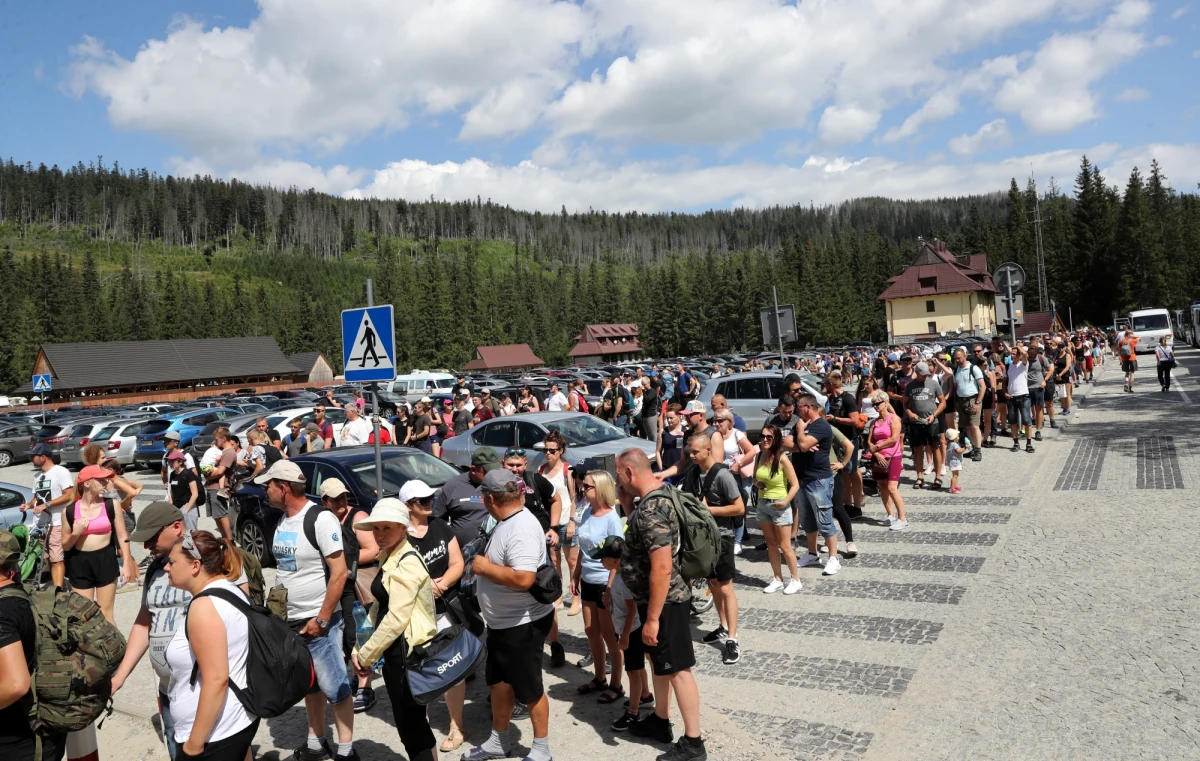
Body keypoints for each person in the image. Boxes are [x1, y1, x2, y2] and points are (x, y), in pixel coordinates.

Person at [258, 461, 357, 761]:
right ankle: (317, 742)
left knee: (336, 686)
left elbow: (339, 573)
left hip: (319, 621)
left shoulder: (320, 519)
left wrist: (322, 619)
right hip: (292, 621)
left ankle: (347, 751)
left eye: (269, 485)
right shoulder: (283, 520)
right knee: (310, 685)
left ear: (284, 488)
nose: (266, 490)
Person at [615, 448, 707, 761]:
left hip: (666, 603)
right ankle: (660, 720)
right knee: (661, 664)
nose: (619, 483)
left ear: (629, 473)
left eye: (619, 476)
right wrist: (629, 508)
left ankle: (693, 744)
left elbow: (662, 566)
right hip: (656, 602)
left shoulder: (652, 509)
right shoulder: (656, 499)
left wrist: (652, 619)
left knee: (679, 669)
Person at [462, 470, 555, 761]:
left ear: (489, 499)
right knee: (498, 684)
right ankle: (498, 741)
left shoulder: (521, 527)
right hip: (504, 624)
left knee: (530, 689)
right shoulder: (507, 521)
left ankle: (542, 749)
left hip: (523, 623)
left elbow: (525, 578)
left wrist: (484, 568)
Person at [349, 499, 440, 761]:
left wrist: (366, 655)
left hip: (407, 654)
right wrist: (361, 646)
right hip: (396, 652)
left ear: (403, 528)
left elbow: (396, 617)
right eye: (376, 528)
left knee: (412, 726)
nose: (379, 534)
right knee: (411, 724)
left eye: (387, 528)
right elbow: (380, 606)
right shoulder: (389, 554)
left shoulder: (406, 561)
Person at [163, 531, 259, 761]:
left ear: (195, 566)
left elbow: (217, 680)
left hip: (214, 736)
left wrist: (194, 745)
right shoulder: (232, 590)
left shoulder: (204, 607)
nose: (167, 568)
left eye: (172, 562)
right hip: (237, 722)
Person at [401, 479, 468, 753]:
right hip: (414, 616)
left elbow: (458, 562)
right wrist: (424, 586)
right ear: (408, 506)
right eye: (422, 501)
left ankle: (456, 726)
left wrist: (439, 585)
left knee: (454, 667)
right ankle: (423, 724)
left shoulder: (440, 525)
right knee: (419, 670)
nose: (429, 503)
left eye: (430, 498)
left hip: (444, 610)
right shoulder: (399, 535)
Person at [0, 530, 67, 761]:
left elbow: (17, 684)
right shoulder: (29, 596)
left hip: (18, 745)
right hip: (45, 734)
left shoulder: (2, 613)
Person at [681, 433, 744, 665]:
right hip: (703, 539)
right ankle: (722, 625)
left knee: (726, 588)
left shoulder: (723, 475)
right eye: (690, 451)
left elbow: (739, 508)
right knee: (714, 585)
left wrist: (709, 511)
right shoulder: (692, 472)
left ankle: (732, 639)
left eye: (696, 452)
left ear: (708, 450)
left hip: (723, 539)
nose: (691, 455)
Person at [318, 478, 380, 714]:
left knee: (360, 634)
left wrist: (341, 564)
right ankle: (357, 677)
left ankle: (366, 687)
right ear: (325, 501)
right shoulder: (325, 520)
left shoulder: (358, 518)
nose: (342, 502)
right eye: (335, 499)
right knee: (346, 637)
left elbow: (373, 550)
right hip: (339, 587)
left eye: (343, 496)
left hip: (358, 587)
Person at [589, 537, 653, 732]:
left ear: (616, 560)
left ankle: (633, 713)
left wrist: (624, 636)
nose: (600, 562)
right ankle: (645, 695)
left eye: (603, 558)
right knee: (637, 666)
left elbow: (631, 610)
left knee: (632, 671)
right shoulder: (618, 576)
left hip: (631, 631)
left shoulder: (624, 581)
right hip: (628, 629)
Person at [572, 471, 625, 701]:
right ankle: (599, 677)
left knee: (609, 636)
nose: (583, 489)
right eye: (583, 485)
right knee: (590, 630)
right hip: (588, 580)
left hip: (605, 582)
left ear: (601, 488)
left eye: (588, 486)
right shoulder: (586, 513)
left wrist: (611, 588)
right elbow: (583, 549)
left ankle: (616, 684)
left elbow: (618, 557)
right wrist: (575, 574)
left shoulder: (612, 518)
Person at [61, 464, 136, 624]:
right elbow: (66, 546)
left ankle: (116, 649)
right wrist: (76, 532)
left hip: (105, 559)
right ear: (87, 483)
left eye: (105, 479)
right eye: (100, 480)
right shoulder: (69, 511)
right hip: (79, 562)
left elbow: (123, 536)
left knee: (106, 614)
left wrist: (127, 564)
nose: (105, 483)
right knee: (85, 616)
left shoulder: (111, 505)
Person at [792, 394, 839, 575]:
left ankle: (834, 558)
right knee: (807, 520)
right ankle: (812, 553)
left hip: (819, 480)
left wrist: (801, 434)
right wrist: (800, 441)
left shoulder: (820, 426)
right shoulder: (803, 425)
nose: (797, 410)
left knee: (824, 519)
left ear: (808, 407)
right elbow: (787, 443)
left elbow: (803, 445)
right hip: (803, 479)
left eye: (799, 406)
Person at [753, 424, 802, 594]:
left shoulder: (782, 458)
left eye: (769, 437)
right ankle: (778, 579)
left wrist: (785, 501)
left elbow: (795, 484)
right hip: (763, 503)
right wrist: (759, 484)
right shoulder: (759, 456)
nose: (764, 439)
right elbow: (754, 478)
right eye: (762, 436)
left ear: (776, 439)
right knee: (771, 544)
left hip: (780, 504)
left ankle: (795, 579)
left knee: (785, 546)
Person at [19, 444, 74, 588]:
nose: (30, 458)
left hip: (56, 522)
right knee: (48, 557)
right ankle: (56, 585)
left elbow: (70, 495)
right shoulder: (37, 476)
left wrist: (47, 505)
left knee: (57, 559)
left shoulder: (60, 472)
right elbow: (37, 497)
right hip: (42, 524)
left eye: (33, 456)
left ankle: (58, 592)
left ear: (43, 457)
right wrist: (28, 506)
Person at [539, 430, 578, 626]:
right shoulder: (541, 470)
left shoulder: (568, 470)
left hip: (566, 522)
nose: (548, 453)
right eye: (545, 450)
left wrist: (572, 521)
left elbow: (573, 498)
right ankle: (558, 596)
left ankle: (576, 598)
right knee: (554, 561)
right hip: (551, 524)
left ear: (561, 451)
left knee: (572, 562)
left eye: (552, 450)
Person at [866, 392, 907, 530]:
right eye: (874, 404)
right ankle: (890, 514)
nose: (876, 406)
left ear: (885, 403)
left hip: (893, 456)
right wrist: (876, 453)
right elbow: (869, 440)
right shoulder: (874, 422)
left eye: (878, 403)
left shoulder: (894, 419)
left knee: (892, 487)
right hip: (879, 457)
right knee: (882, 486)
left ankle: (902, 518)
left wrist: (877, 447)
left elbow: (894, 438)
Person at [904, 362, 946, 490]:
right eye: (922, 375)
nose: (924, 377)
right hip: (916, 422)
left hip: (932, 421)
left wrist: (934, 415)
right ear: (917, 372)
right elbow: (905, 404)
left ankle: (938, 477)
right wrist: (910, 413)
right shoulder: (910, 386)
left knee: (935, 448)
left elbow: (943, 402)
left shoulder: (933, 384)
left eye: (926, 374)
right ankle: (919, 476)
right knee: (917, 449)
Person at [202, 428, 238, 547]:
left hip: (219, 488)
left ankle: (229, 541)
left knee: (221, 514)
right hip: (213, 486)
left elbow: (220, 471)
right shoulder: (223, 451)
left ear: (223, 438)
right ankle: (225, 539)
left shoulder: (229, 452)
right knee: (216, 515)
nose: (215, 441)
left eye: (216, 438)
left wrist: (207, 477)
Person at [952, 348, 986, 461]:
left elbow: (983, 386)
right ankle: (973, 448)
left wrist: (977, 402)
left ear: (965, 356)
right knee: (967, 427)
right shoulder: (956, 369)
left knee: (974, 426)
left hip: (973, 399)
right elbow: (956, 386)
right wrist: (956, 402)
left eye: (959, 358)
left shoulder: (973, 368)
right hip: (961, 400)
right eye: (956, 358)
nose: (957, 360)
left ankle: (978, 450)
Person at [1006, 345, 1034, 453]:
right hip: (1011, 396)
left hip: (1023, 395)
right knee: (1012, 421)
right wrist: (1005, 392)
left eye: (1013, 354)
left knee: (1027, 420)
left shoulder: (1023, 364)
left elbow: (1025, 355)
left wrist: (1018, 346)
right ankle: (1015, 442)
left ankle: (1029, 443)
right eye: (1011, 353)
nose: (1011, 355)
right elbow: (1005, 380)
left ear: (1018, 355)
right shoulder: (1009, 366)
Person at [167, 451, 202, 532]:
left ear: (180, 461)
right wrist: (170, 506)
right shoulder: (172, 474)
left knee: (191, 533)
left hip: (188, 506)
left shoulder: (188, 474)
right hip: (176, 506)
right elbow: (172, 491)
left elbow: (195, 493)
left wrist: (186, 510)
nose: (170, 463)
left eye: (172, 461)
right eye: (169, 461)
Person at [655, 405, 685, 475]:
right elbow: (658, 451)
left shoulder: (685, 431)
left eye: (671, 418)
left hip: (681, 470)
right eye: (667, 418)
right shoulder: (663, 432)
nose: (669, 420)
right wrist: (661, 468)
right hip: (666, 470)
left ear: (679, 416)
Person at [945, 428, 969, 494]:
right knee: (955, 475)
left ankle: (955, 485)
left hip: (953, 461)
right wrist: (965, 448)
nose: (959, 437)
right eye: (957, 436)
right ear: (954, 437)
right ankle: (952, 487)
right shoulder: (954, 444)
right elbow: (958, 451)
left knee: (956, 474)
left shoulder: (950, 444)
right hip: (954, 462)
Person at [640, 378, 660, 444]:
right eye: (642, 384)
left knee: (653, 435)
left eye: (644, 384)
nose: (643, 386)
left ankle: (656, 449)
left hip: (651, 415)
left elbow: (647, 400)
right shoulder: (646, 392)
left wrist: (643, 392)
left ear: (648, 383)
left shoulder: (652, 391)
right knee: (648, 435)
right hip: (645, 415)